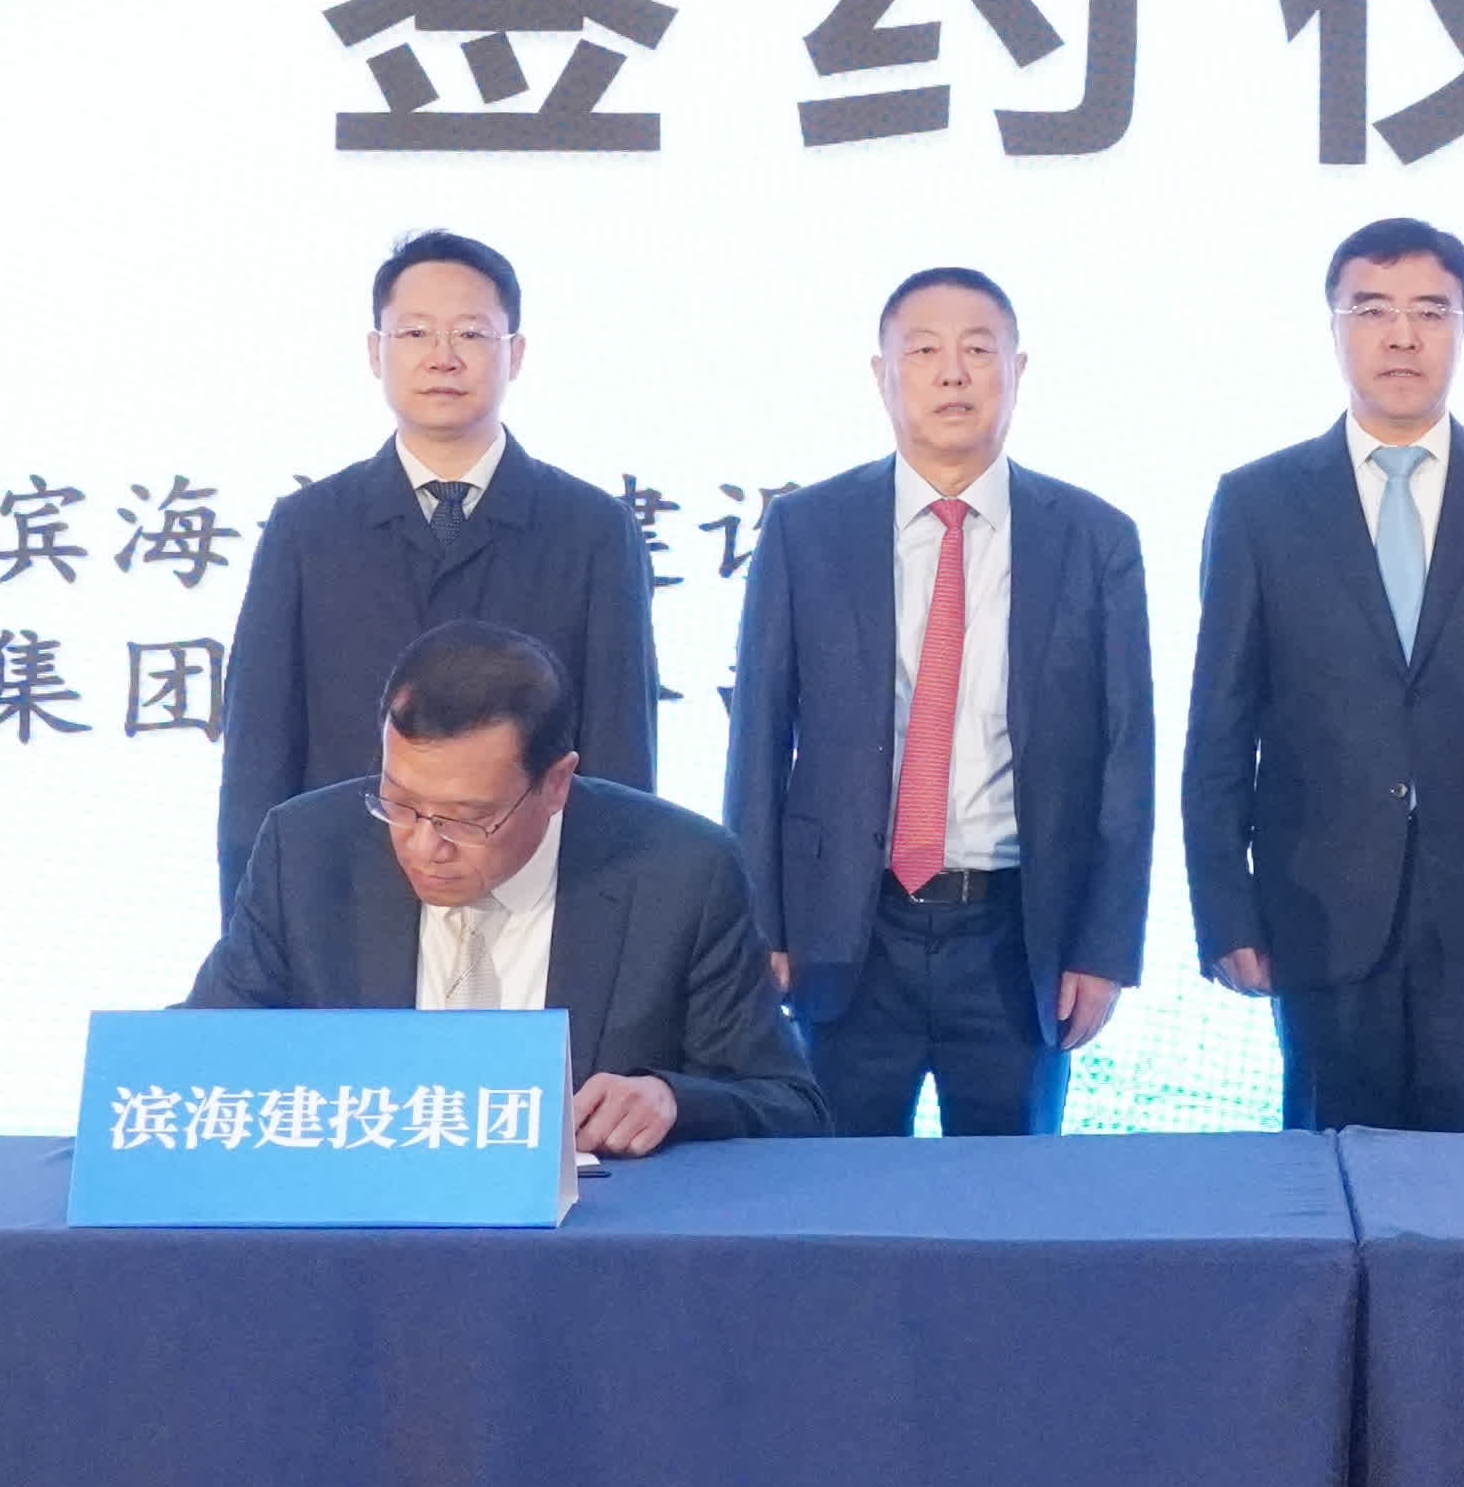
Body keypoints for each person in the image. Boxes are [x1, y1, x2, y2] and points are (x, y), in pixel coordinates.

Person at [1182, 217, 1464, 1134]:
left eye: (1431, 311)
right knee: (1327, 1176)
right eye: (1372, 310)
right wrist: (1224, 910)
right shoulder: (1258, 501)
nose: (1402, 336)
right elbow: (1220, 724)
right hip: (1317, 910)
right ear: (1334, 326)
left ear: (1463, 326)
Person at [725, 267, 1152, 1136]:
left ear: (1016, 370)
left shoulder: (1093, 537)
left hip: (1015, 934)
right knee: (829, 1185)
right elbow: (759, 741)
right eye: (922, 351)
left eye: (977, 350)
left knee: (1005, 1198)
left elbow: (1124, 757)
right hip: (845, 931)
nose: (951, 373)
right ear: (881, 375)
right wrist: (759, 928)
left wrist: (1103, 949)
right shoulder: (808, 530)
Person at [188, 620, 823, 1152]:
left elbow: (789, 1104)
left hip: (588, 1243)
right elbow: (201, 1056)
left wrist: (671, 1099)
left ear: (556, 784)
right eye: (399, 803)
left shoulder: (683, 872)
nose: (423, 845)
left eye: (466, 819)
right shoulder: (305, 851)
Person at [217, 229, 658, 905]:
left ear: (515, 354)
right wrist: (250, 929)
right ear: (376, 352)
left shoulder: (593, 529)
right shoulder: (307, 529)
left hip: (533, 901)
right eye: (416, 333)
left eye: (471, 334)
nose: (443, 357)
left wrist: (619, 923)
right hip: (343, 901)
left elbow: (620, 758)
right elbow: (259, 755)